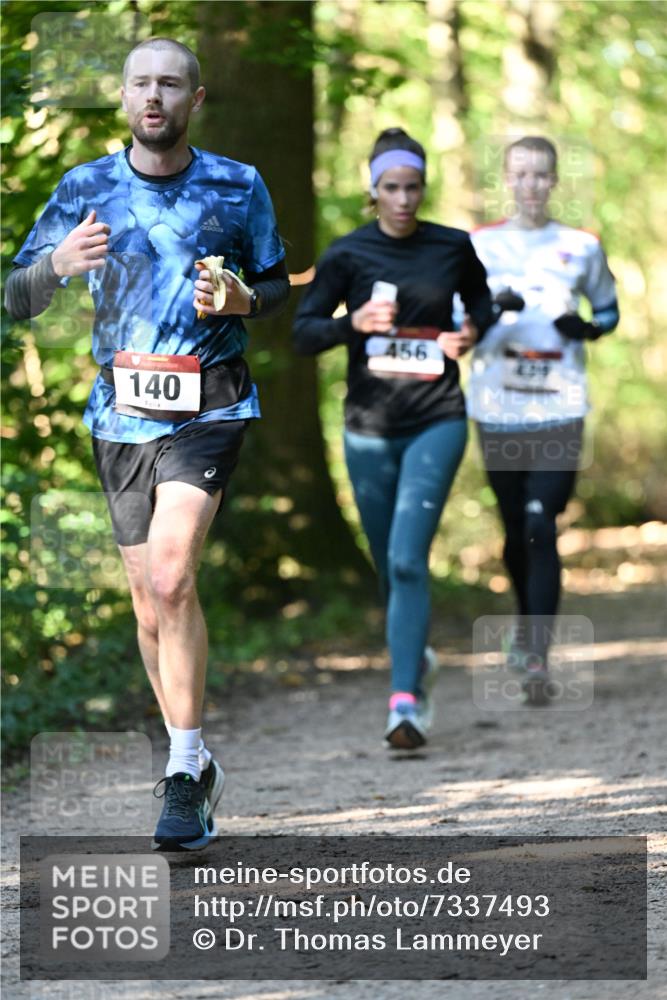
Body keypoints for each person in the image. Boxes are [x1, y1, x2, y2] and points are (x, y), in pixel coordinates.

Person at [5, 38, 289, 849]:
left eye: (170, 84)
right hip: (120, 414)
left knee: (171, 577)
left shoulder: (237, 185)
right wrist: (56, 264)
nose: (154, 96)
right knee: (145, 599)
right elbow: (17, 297)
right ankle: (195, 766)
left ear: (196, 99)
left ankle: (180, 767)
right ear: (124, 97)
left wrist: (242, 297)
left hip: (211, 403)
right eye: (141, 84)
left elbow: (272, 284)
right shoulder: (84, 187)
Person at [293, 127, 494, 749]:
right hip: (369, 429)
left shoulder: (453, 247)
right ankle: (418, 662)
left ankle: (403, 703)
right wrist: (350, 323)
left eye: (413, 188)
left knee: (409, 559)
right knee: (388, 568)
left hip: (437, 417)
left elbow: (482, 304)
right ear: (372, 190)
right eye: (391, 188)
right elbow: (302, 333)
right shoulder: (347, 254)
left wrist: (470, 333)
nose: (403, 199)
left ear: (422, 188)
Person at [467, 136, 619, 704]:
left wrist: (586, 328)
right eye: (521, 174)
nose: (531, 185)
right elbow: (458, 318)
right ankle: (525, 620)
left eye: (541, 175)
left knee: (539, 521)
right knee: (515, 531)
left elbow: (607, 310)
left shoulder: (581, 246)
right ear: (507, 179)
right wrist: (488, 312)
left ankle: (535, 652)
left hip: (559, 406)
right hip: (499, 407)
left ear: (555, 181)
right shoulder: (480, 245)